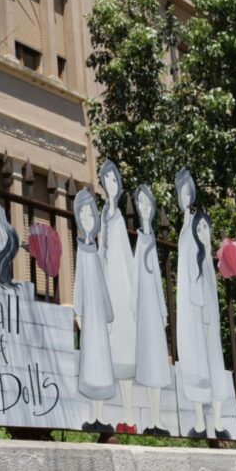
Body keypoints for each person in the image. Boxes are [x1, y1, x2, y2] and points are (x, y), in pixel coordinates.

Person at [174, 168, 231, 440]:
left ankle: (217, 424)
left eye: (188, 190)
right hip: (189, 310)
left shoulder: (197, 229)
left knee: (213, 362)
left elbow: (206, 280)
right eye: (180, 191)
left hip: (206, 312)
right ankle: (199, 423)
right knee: (195, 363)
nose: (185, 195)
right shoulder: (184, 229)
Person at [97, 160, 138, 434]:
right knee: (109, 353)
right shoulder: (103, 215)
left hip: (122, 289)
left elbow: (126, 256)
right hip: (109, 288)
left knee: (125, 352)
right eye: (106, 180)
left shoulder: (119, 218)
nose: (110, 184)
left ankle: (129, 415)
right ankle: (107, 417)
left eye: (113, 180)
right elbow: (102, 252)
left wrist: (134, 295)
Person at [73, 189, 116, 433]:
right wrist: (78, 310)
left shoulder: (96, 253)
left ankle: (101, 415)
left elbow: (102, 286)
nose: (88, 219)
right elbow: (79, 282)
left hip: (100, 316)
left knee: (102, 365)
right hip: (89, 317)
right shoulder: (82, 250)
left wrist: (109, 314)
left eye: (91, 215)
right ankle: (92, 415)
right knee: (90, 365)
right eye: (84, 215)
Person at [131, 185, 172, 436]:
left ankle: (158, 419)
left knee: (158, 363)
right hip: (144, 311)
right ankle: (152, 419)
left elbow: (157, 278)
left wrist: (164, 310)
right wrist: (135, 308)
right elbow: (137, 276)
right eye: (141, 204)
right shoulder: (141, 240)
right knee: (147, 365)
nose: (145, 208)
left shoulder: (152, 240)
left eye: (148, 204)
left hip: (155, 311)